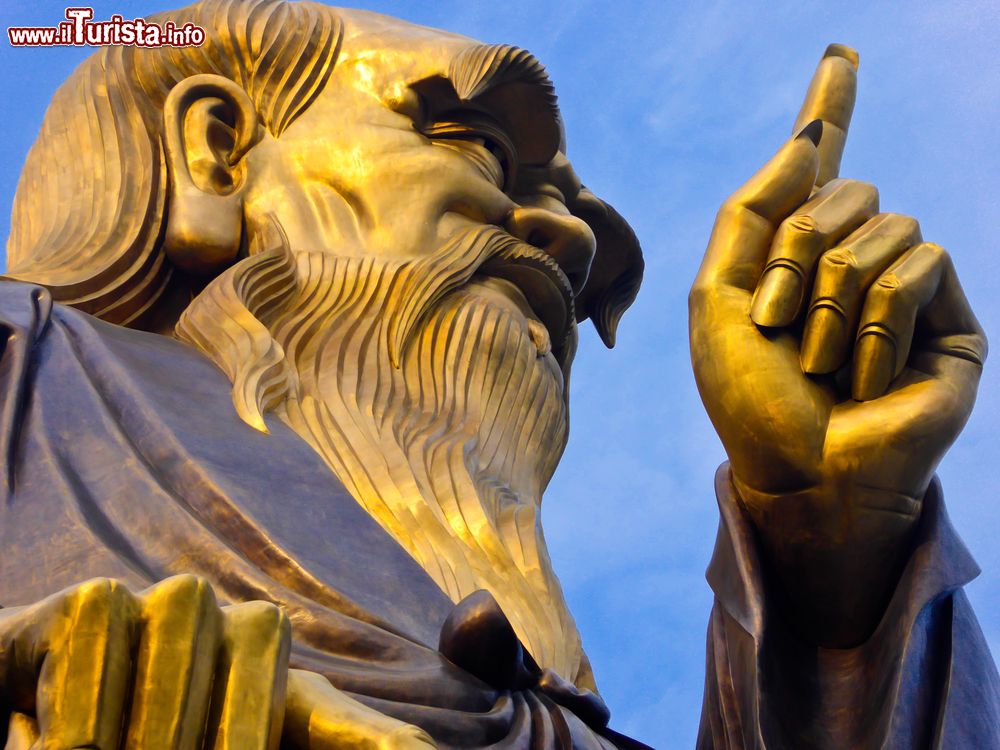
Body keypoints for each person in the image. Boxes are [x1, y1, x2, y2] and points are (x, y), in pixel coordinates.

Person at [0, 1, 995, 748]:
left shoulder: (539, 705)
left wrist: (833, 550)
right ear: (215, 153)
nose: (565, 241)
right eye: (475, 141)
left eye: (586, 234)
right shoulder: (29, 377)